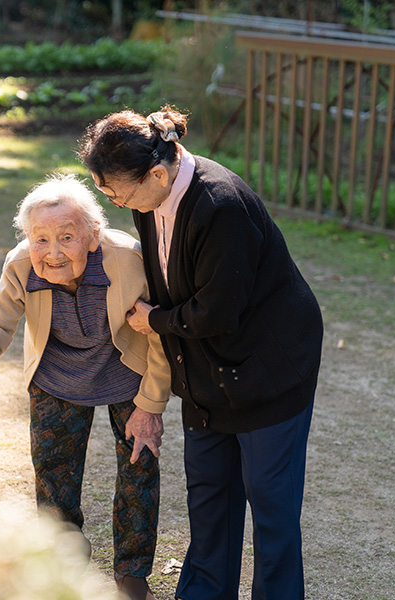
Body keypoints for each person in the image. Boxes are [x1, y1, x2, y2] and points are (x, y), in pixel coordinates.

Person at [77, 105, 324, 600]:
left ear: (158, 173)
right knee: (209, 503)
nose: (114, 199)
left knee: (271, 511)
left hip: (268, 372)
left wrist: (154, 320)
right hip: (206, 375)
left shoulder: (220, 204)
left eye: (116, 191)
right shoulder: (149, 197)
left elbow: (217, 311)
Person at [0, 173, 171, 600]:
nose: (52, 252)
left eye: (66, 237)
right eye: (40, 239)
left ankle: (132, 574)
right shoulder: (20, 264)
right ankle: (62, 565)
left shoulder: (126, 259)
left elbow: (159, 336)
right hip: (56, 378)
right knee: (54, 480)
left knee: (139, 471)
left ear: (93, 235)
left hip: (126, 373)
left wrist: (151, 405)